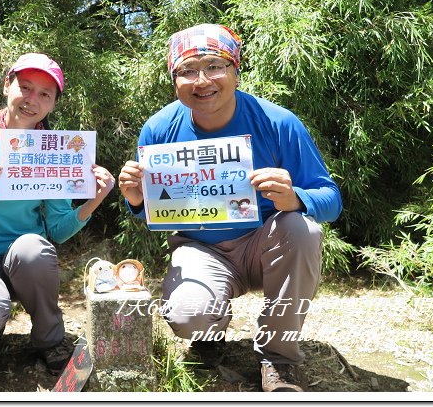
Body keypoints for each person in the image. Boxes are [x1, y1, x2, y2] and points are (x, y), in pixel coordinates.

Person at [118, 24, 342, 392]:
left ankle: (278, 358)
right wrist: (137, 200)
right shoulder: (159, 129)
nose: (202, 80)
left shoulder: (278, 122)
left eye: (214, 66)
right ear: (174, 80)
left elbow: (330, 200)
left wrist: (295, 198)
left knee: (303, 230)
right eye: (187, 71)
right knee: (189, 315)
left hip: (266, 244)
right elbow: (154, 214)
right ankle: (209, 335)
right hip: (201, 247)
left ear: (236, 70)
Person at [0, 52, 115, 374]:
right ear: (7, 86)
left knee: (34, 246)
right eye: (25, 88)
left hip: (25, 262)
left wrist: (93, 201)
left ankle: (50, 339)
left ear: (54, 103)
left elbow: (56, 230)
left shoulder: (57, 149)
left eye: (45, 94)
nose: (32, 100)